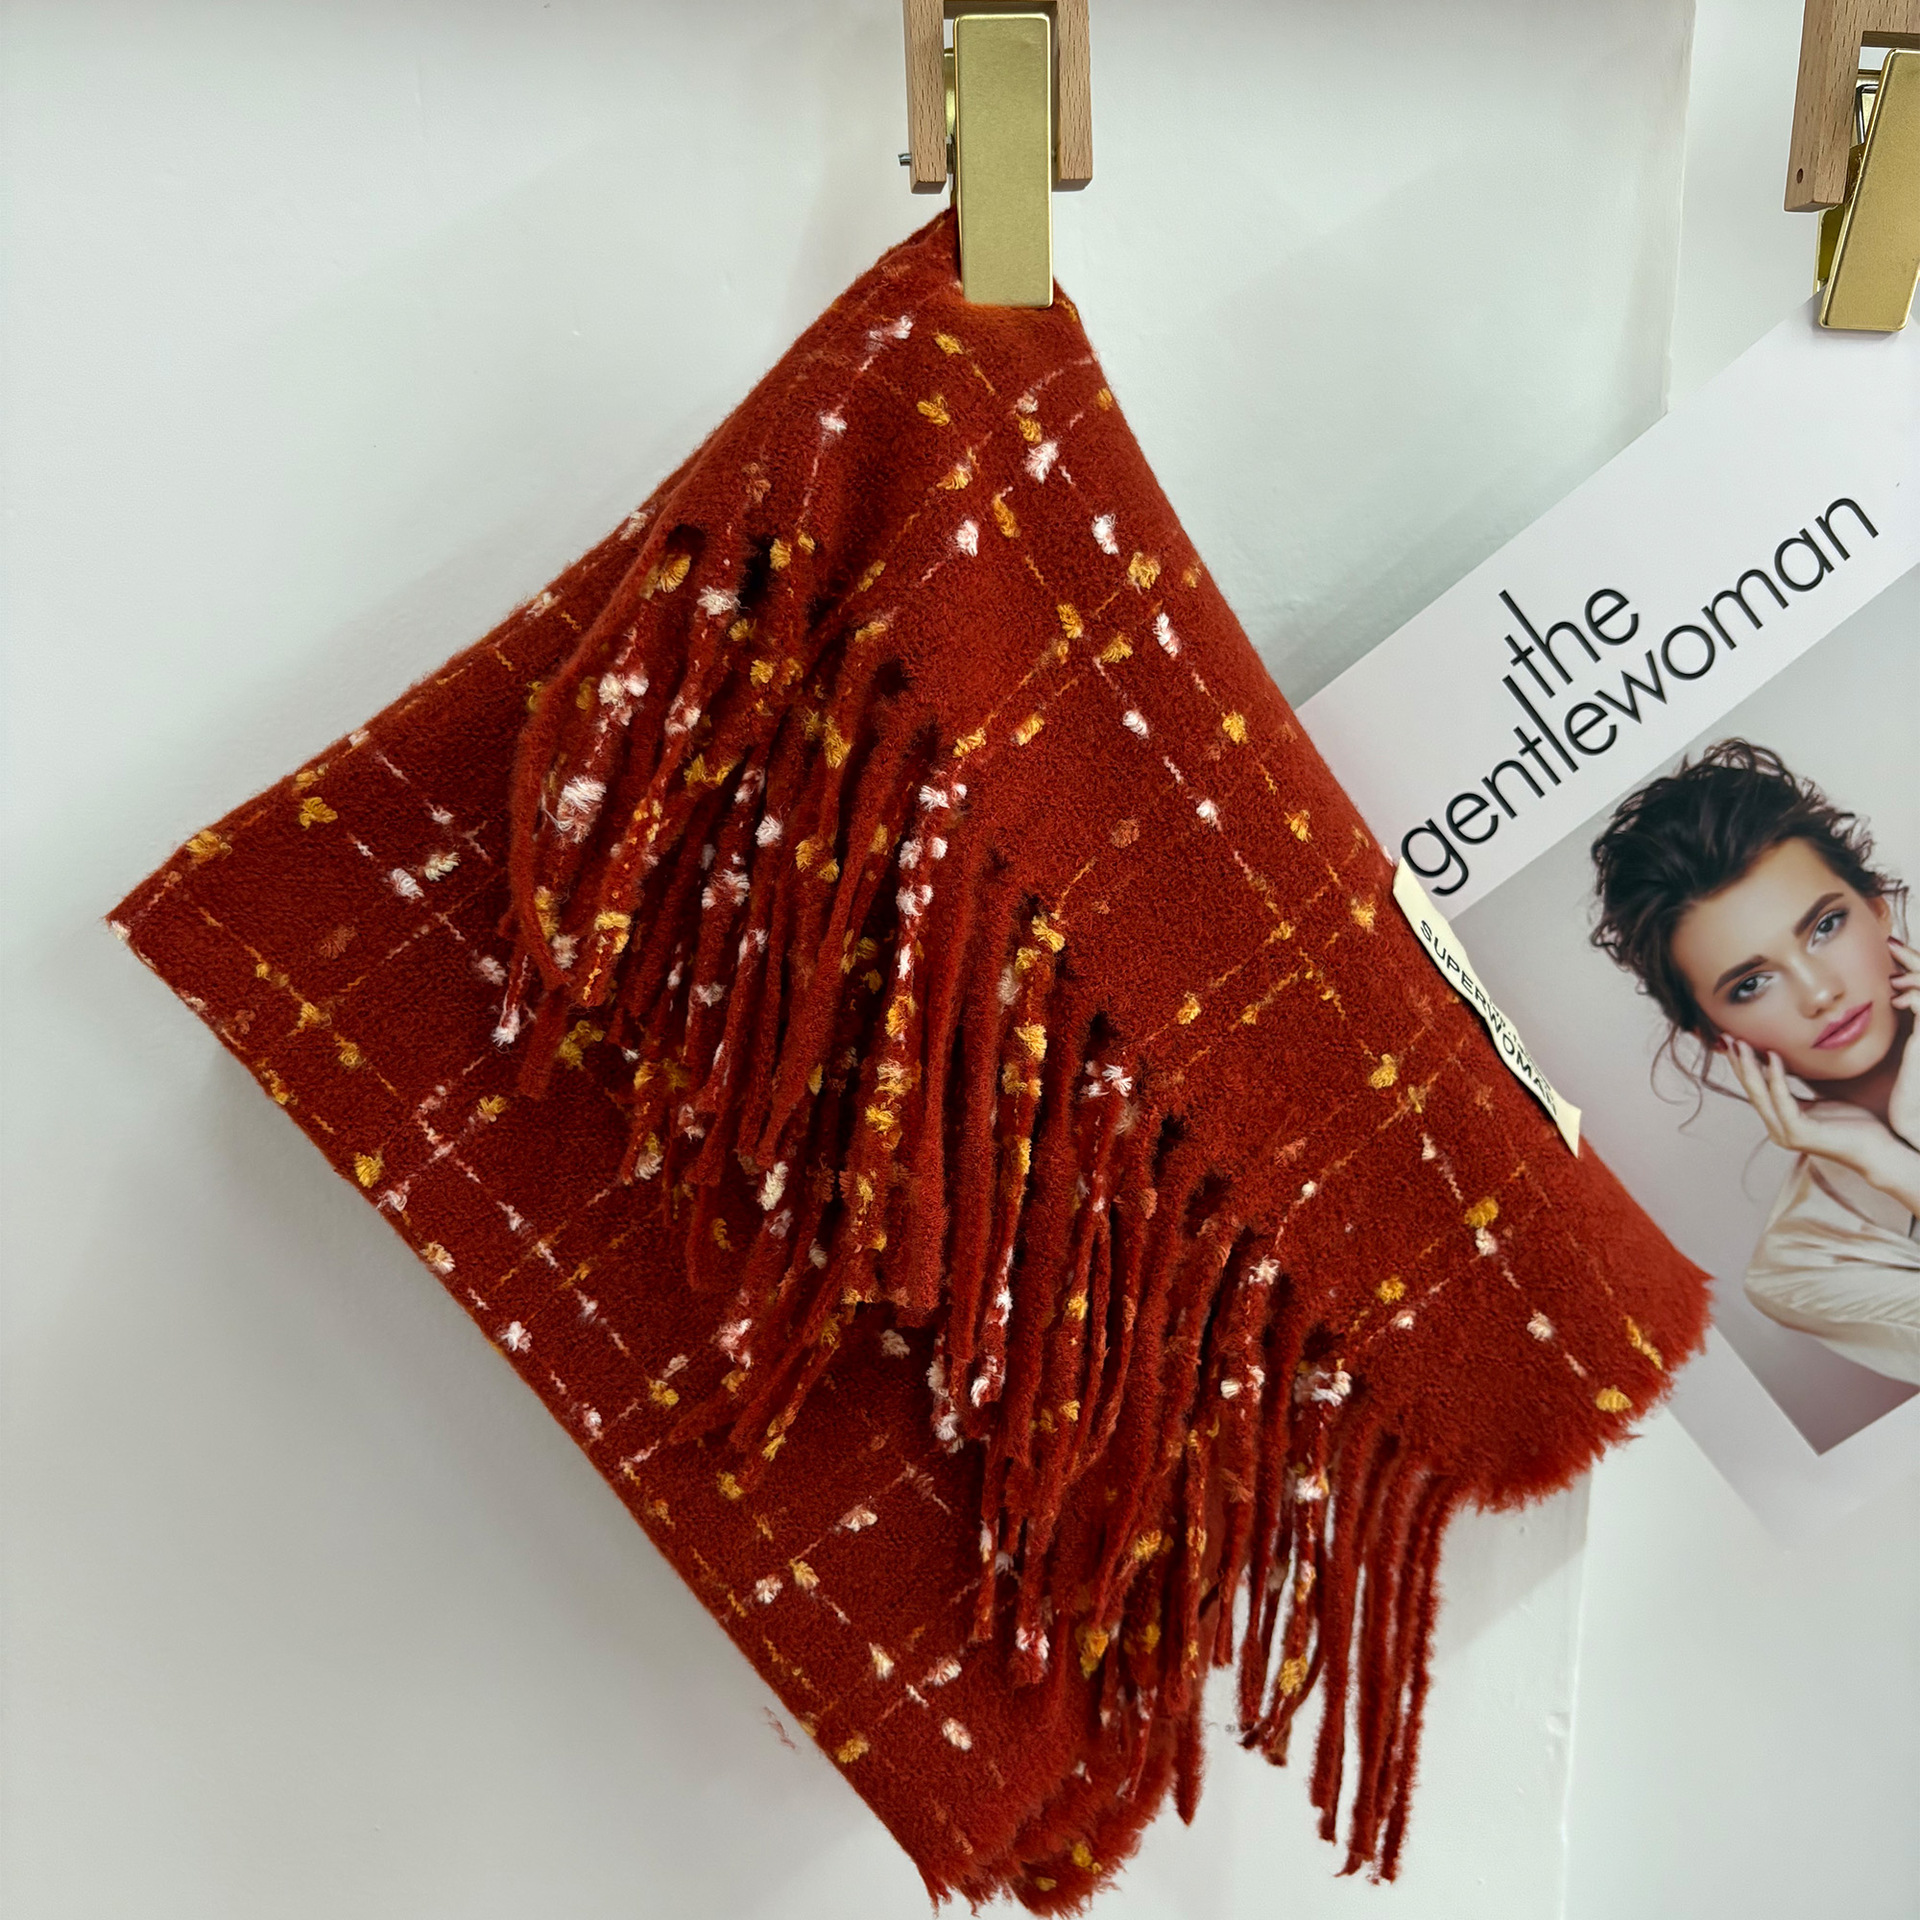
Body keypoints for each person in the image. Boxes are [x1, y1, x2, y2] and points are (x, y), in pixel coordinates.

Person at [1590, 740, 1920, 1387]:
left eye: (1825, 926)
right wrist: (1887, 1163)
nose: (1819, 992)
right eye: (1751, 984)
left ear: (1877, 907)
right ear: (1715, 1036)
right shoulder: (1800, 1264)